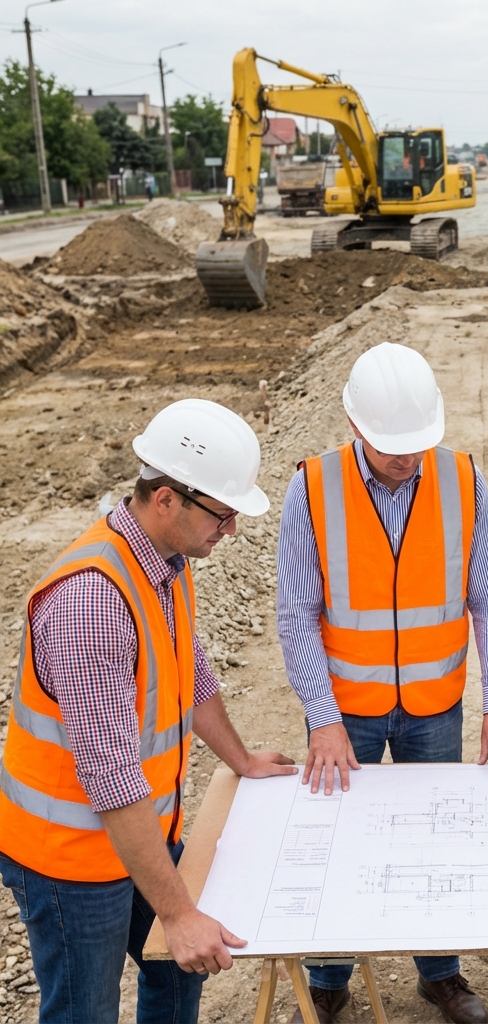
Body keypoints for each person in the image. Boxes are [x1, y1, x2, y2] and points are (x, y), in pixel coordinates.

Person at [0, 399, 297, 1024]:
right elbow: (109, 776)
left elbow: (188, 670)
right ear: (166, 499)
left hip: (138, 834)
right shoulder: (92, 603)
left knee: (179, 968)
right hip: (71, 858)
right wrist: (178, 911)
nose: (231, 530)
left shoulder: (166, 562)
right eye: (222, 515)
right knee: (85, 1011)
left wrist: (239, 759)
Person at [277, 341, 488, 1024]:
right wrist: (322, 717)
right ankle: (329, 977)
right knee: (338, 840)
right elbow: (295, 611)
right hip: (343, 711)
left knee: (433, 840)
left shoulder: (462, 479)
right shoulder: (312, 485)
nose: (406, 458)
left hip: (434, 705)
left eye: (417, 444)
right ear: (354, 424)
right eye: (392, 445)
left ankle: (439, 973)